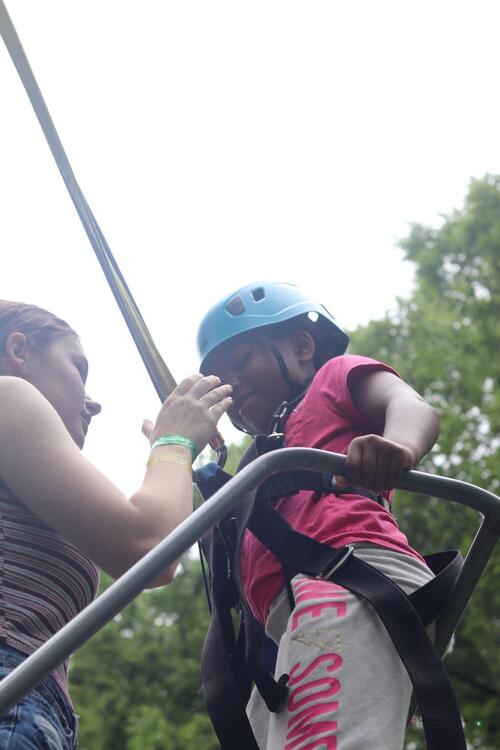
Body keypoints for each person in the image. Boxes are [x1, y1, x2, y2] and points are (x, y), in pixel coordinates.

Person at [196, 281, 442, 750]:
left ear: (302, 348)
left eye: (241, 361)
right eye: (220, 379)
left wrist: (399, 446)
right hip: (284, 626)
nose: (232, 382)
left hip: (351, 580)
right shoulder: (257, 464)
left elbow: (409, 404)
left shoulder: (332, 379)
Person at [0, 299, 232, 750]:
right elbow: (148, 547)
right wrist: (174, 442)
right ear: (19, 351)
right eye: (78, 368)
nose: (95, 403)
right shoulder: (8, 395)